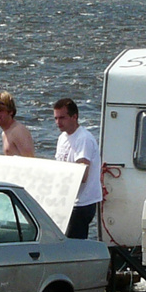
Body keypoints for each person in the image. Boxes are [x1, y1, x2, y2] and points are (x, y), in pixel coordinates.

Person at [53, 98, 102, 239]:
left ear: (74, 117)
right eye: (56, 118)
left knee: (74, 243)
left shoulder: (83, 139)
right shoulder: (62, 138)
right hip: (67, 200)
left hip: (82, 202)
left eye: (62, 117)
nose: (58, 122)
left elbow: (83, 175)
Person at [0, 91, 35, 157]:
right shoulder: (5, 133)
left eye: (0, 111)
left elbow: (30, 159)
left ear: (10, 111)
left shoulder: (18, 131)